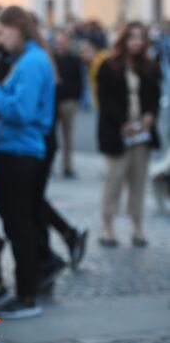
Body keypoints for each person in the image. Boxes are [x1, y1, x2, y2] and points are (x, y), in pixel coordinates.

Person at [0, 6, 56, 319]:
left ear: (17, 29)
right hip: (12, 149)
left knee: (18, 224)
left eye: (3, 32)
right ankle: (20, 288)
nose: (0, 39)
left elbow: (21, 112)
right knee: (14, 220)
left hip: (20, 151)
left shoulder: (33, 62)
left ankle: (27, 295)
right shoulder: (28, 59)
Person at [97, 21, 161, 247]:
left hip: (142, 134)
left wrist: (149, 116)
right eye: (133, 37)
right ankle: (107, 227)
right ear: (124, 40)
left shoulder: (151, 66)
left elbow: (154, 95)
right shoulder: (109, 65)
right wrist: (122, 123)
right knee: (113, 180)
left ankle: (137, 227)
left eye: (141, 37)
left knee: (138, 181)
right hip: (117, 132)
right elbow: (105, 100)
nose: (137, 42)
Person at [53, 30, 84, 178]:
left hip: (68, 102)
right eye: (58, 41)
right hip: (53, 102)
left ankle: (67, 166)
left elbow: (79, 80)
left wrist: (76, 98)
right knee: (51, 136)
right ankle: (50, 166)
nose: (60, 44)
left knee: (67, 137)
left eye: (62, 41)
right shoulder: (51, 58)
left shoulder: (74, 59)